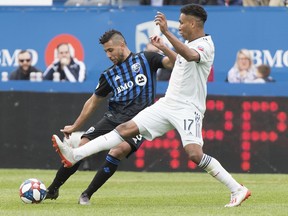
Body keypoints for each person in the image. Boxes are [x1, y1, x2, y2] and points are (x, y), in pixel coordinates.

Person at [52, 4, 251, 207]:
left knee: (194, 154)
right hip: (167, 103)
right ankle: (75, 154)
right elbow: (181, 58)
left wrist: (166, 33)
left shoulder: (205, 45)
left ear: (192, 23)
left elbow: (190, 56)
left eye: (181, 22)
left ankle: (237, 189)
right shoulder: (187, 43)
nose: (179, 26)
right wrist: (164, 46)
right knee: (124, 129)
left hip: (188, 108)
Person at [45, 29, 176, 204]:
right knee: (81, 146)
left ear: (122, 45)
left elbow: (174, 63)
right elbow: (92, 102)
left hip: (139, 121)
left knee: (118, 150)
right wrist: (75, 127)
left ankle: (86, 195)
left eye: (110, 50)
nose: (108, 55)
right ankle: (52, 189)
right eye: (105, 51)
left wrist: (164, 47)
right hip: (113, 117)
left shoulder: (147, 58)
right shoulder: (109, 75)